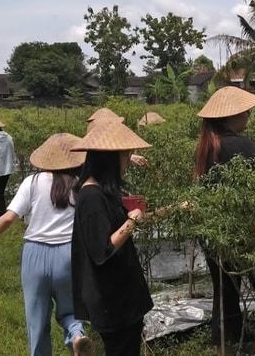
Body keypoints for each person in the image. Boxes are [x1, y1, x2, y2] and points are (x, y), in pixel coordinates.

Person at [0, 133, 92, 356]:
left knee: (36, 320)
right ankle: (76, 336)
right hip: (68, 255)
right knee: (70, 310)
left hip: (35, 255)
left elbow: (9, 217)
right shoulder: (80, 186)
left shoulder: (32, 182)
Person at [194, 86, 255, 356]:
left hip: (213, 232)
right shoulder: (243, 145)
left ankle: (225, 350)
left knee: (225, 292)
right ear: (231, 116)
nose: (249, 114)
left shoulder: (205, 147)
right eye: (245, 110)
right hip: (246, 231)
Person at [70, 119, 154, 356]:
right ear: (110, 159)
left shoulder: (103, 192)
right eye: (126, 156)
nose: (128, 161)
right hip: (112, 300)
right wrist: (132, 221)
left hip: (121, 298)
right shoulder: (92, 197)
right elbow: (102, 249)